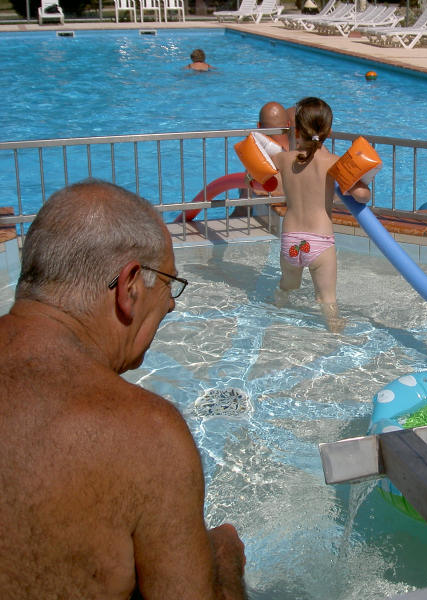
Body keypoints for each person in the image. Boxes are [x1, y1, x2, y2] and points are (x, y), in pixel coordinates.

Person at [0, 180, 247, 599]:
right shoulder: (146, 434)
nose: (169, 305)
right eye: (169, 285)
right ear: (130, 285)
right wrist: (223, 561)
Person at [271, 97, 370, 332]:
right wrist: (363, 182)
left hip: (291, 242)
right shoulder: (334, 163)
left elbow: (256, 178)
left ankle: (273, 317)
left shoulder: (283, 159)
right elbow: (363, 197)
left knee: (286, 287)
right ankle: (336, 334)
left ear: (296, 129)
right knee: (327, 300)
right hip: (319, 243)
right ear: (329, 131)